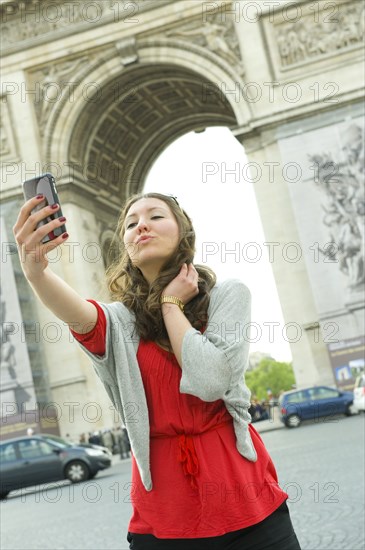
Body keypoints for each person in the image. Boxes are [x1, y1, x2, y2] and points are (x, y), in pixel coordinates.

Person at [13, 191, 301, 549]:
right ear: (125, 246)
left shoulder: (229, 294)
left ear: (184, 232)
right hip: (162, 516)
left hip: (248, 504)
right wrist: (35, 272)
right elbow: (74, 311)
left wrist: (170, 305)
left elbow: (210, 382)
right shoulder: (117, 322)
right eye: (131, 223)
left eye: (155, 216)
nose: (142, 225)